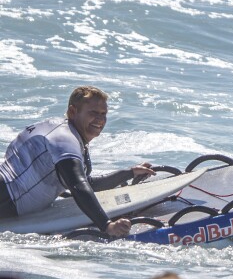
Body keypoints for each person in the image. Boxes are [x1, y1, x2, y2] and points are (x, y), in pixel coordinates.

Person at [0, 86, 154, 237]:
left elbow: (86, 184)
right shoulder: (65, 138)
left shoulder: (60, 129)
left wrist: (129, 172)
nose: (100, 119)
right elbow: (78, 186)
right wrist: (107, 225)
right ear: (73, 111)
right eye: (93, 113)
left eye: (104, 114)